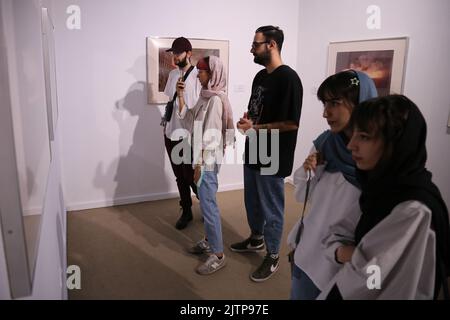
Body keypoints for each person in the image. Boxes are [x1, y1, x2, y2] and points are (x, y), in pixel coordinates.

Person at [318, 94, 450, 299]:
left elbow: (370, 278)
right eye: (354, 134)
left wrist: (344, 254)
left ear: (395, 143)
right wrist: (344, 253)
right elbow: (339, 235)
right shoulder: (381, 189)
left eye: (364, 136)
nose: (351, 145)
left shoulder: (413, 209)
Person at [286, 70, 378, 299]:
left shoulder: (378, 157)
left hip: (343, 259)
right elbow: (300, 194)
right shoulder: (325, 143)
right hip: (308, 248)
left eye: (335, 103)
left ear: (360, 103)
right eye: (325, 103)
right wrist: (312, 170)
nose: (326, 112)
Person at [230, 25, 303, 282]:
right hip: (254, 148)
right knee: (252, 200)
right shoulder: (260, 77)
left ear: (271, 45)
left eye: (256, 44)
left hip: (274, 154)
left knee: (272, 207)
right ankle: (256, 238)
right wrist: (246, 121)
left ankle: (272, 255)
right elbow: (255, 110)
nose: (252, 48)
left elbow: (291, 123)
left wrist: (256, 128)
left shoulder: (289, 79)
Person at [177, 56, 234, 275]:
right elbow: (188, 119)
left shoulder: (216, 100)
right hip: (201, 157)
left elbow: (211, 137)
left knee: (208, 204)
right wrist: (181, 95)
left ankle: (218, 254)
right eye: (199, 71)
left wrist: (199, 165)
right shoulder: (204, 97)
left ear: (212, 74)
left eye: (202, 71)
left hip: (207, 159)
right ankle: (209, 240)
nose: (198, 74)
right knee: (206, 200)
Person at [163, 37, 201, 230]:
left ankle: (205, 201)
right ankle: (186, 210)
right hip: (170, 132)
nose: (175, 56)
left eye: (178, 53)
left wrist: (182, 94)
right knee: (179, 176)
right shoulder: (171, 75)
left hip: (187, 134)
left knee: (190, 175)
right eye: (173, 53)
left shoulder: (198, 76)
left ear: (189, 53)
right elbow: (168, 98)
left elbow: (195, 106)